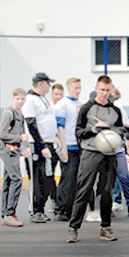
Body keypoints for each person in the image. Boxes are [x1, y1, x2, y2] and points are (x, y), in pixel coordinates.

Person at [67, 75, 126, 243]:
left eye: (107, 90)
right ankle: (73, 228)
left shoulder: (115, 111)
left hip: (109, 153)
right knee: (84, 189)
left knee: (107, 190)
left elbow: (121, 130)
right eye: (102, 90)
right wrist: (93, 130)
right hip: (91, 152)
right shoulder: (87, 108)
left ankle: (106, 227)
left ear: (111, 90)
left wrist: (116, 133)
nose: (104, 93)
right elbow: (78, 131)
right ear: (96, 89)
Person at [22, 72, 60, 223]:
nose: (50, 86)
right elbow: (31, 124)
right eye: (47, 83)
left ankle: (42, 207)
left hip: (49, 143)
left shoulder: (44, 99)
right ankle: (35, 210)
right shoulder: (30, 100)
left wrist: (54, 137)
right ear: (40, 84)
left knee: (47, 177)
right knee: (37, 178)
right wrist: (41, 145)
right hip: (37, 145)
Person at [0, 88, 29, 227]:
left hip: (14, 150)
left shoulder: (19, 114)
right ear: (13, 99)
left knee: (9, 180)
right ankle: (9, 213)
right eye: (18, 99)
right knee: (16, 179)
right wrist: (19, 138)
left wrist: (24, 146)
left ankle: (5, 214)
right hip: (8, 150)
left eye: (22, 99)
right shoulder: (9, 113)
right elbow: (2, 134)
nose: (20, 101)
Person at [54, 78, 82, 222]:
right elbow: (60, 127)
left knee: (77, 179)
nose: (78, 90)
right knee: (67, 178)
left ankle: (71, 208)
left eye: (79, 88)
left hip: (79, 146)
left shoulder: (80, 104)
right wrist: (63, 147)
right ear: (69, 88)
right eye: (75, 88)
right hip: (68, 145)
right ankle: (61, 208)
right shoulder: (62, 104)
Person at [110, 87, 129, 216]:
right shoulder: (100, 111)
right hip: (106, 149)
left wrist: (127, 143)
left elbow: (125, 128)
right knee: (107, 179)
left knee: (123, 176)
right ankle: (108, 205)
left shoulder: (118, 110)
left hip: (118, 148)